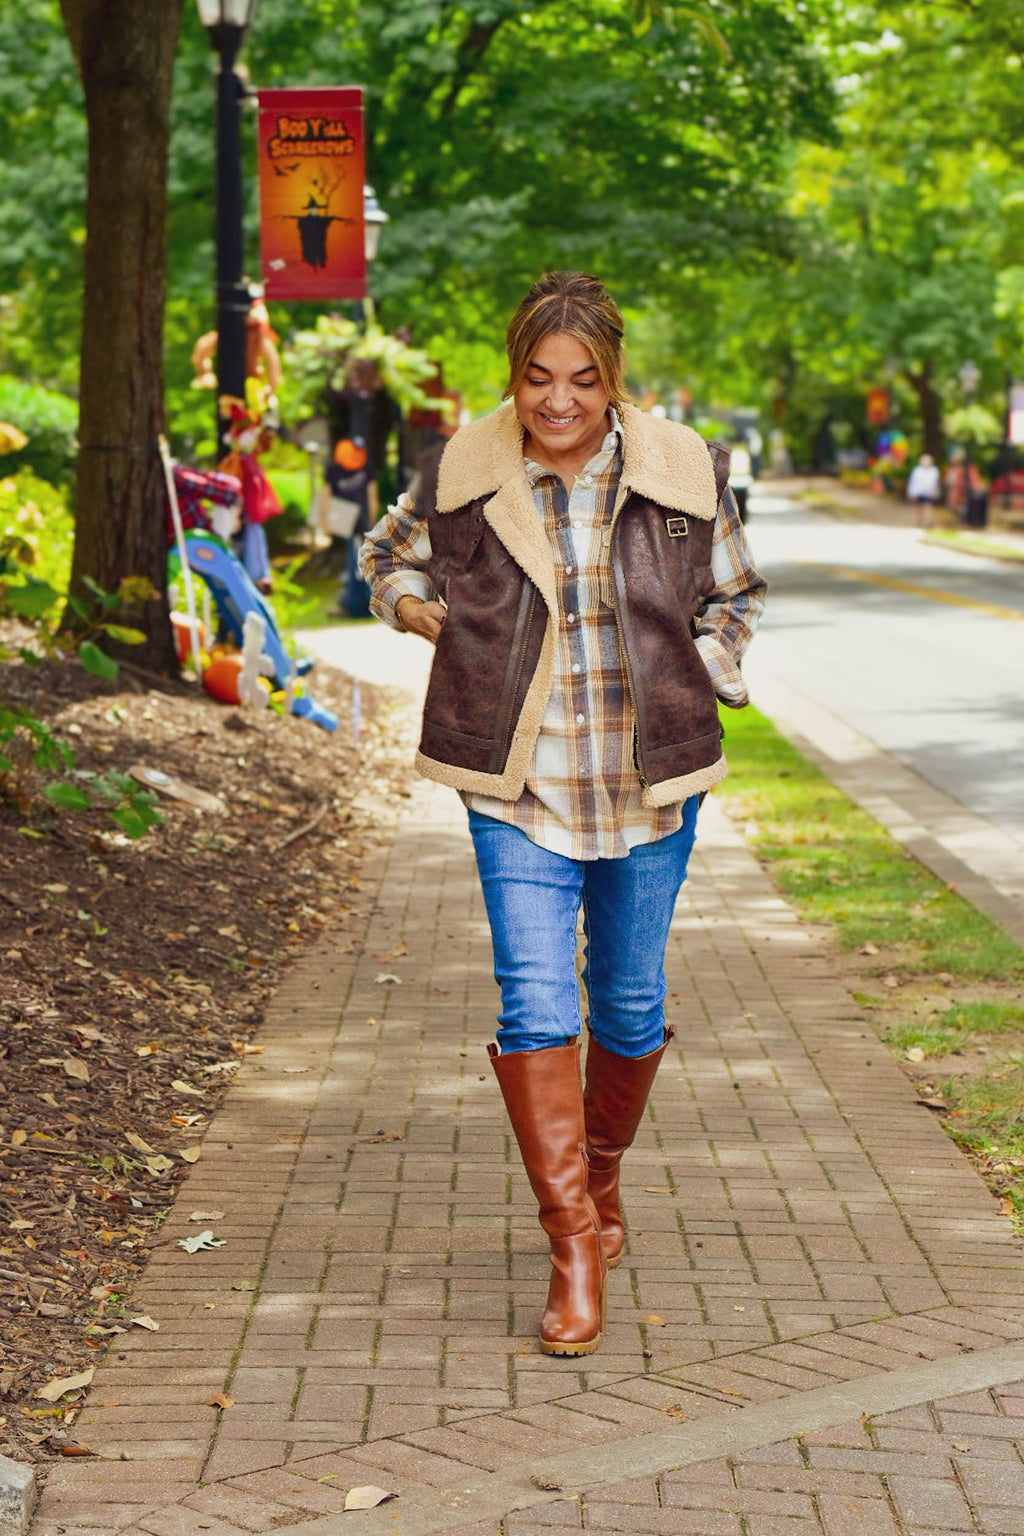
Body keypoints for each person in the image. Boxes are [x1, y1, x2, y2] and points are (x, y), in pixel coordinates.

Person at [360, 271, 766, 1358]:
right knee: (536, 1003)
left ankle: (602, 1176)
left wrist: (711, 662)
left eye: (582, 380)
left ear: (611, 379)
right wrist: (408, 605)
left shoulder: (682, 469)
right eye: (539, 377)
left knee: (628, 1006)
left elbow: (734, 595)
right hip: (518, 783)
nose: (559, 401)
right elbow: (385, 552)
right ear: (515, 374)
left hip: (649, 778)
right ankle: (572, 1242)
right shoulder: (463, 468)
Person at [905, 453, 941, 529]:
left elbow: (936, 483)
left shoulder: (934, 471)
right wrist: (911, 492)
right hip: (919, 492)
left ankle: (929, 521)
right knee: (919, 507)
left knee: (928, 506)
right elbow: (913, 482)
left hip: (928, 492)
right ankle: (920, 521)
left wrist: (936, 492)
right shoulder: (917, 470)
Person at [728, 439, 754, 523]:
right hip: (743, 481)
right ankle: (742, 520)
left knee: (732, 503)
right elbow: (748, 468)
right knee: (743, 502)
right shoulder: (744, 454)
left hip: (733, 481)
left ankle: (735, 520)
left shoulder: (730, 454)